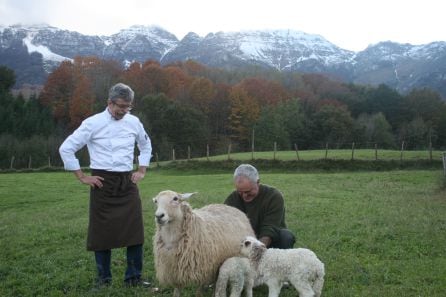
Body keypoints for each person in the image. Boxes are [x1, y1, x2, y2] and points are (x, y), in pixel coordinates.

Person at [59, 83, 152, 288]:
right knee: (101, 234)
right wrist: (82, 177)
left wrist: (141, 170)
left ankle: (133, 278)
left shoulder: (134, 122)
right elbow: (66, 148)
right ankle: (104, 280)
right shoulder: (92, 123)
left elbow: (145, 145)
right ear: (109, 102)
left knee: (135, 232)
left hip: (126, 182)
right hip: (102, 183)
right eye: (121, 106)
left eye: (128, 107)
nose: (124, 111)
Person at [224, 164, 295, 249]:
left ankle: (281, 260)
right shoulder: (232, 199)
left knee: (286, 236)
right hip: (245, 242)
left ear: (258, 182)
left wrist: (256, 250)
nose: (244, 196)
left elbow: (270, 228)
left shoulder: (274, 196)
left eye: (248, 191)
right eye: (240, 192)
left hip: (270, 239)